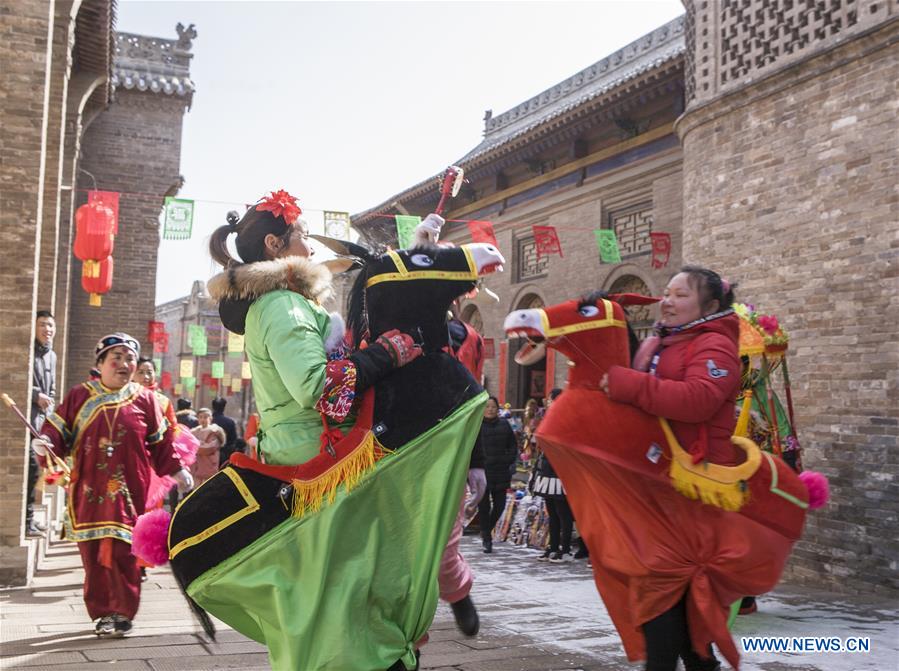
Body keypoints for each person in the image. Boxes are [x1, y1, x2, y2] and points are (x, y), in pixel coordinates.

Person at [206, 191, 426, 669]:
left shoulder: (289, 303)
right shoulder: (282, 305)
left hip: (315, 458)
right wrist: (385, 355)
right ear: (274, 244)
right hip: (316, 466)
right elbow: (320, 391)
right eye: (303, 235)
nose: (311, 245)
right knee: (337, 584)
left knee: (331, 585)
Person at [600, 266, 740, 671]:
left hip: (695, 484)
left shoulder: (714, 344)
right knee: (674, 594)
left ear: (710, 306)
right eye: (667, 292)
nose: (667, 300)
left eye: (681, 295)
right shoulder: (666, 340)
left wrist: (631, 385)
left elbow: (699, 399)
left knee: (662, 586)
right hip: (660, 479)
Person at [31, 333, 193, 637]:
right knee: (93, 557)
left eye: (130, 358)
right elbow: (56, 430)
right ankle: (102, 613)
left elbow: (161, 444)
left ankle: (122, 613)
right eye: (116, 358)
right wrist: (46, 442)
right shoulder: (80, 396)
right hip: (88, 493)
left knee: (124, 554)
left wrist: (178, 470)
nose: (124, 364)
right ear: (101, 363)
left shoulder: (145, 400)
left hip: (128, 493)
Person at [26, 310, 57, 537]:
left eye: (50, 326)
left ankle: (30, 518)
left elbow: (52, 389)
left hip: (41, 422)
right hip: (26, 417)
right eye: (43, 325)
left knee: (36, 469)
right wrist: (36, 394)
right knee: (29, 468)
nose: (47, 329)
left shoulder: (52, 356)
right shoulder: (29, 351)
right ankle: (26, 519)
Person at [477, 396, 518, 554]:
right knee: (484, 506)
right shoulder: (476, 426)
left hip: (501, 470)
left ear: (497, 408)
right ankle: (487, 539)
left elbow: (513, 445)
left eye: (493, 406)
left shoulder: (504, 424)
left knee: (500, 505)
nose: (490, 409)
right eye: (487, 407)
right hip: (483, 471)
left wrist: (508, 460)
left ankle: (486, 530)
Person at [190, 408, 226, 486]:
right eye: (200, 417)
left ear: (210, 418)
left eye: (205, 417)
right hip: (196, 467)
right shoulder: (193, 432)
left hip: (209, 466)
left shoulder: (215, 431)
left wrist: (196, 444)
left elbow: (210, 448)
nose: (203, 419)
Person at [210, 397, 238, 466]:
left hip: (207, 455)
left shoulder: (208, 422)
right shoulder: (230, 422)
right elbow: (233, 440)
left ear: (212, 407)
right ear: (224, 407)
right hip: (224, 455)